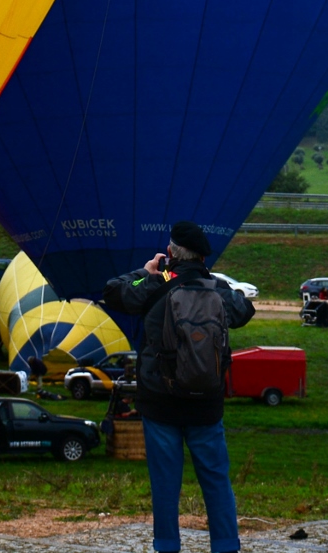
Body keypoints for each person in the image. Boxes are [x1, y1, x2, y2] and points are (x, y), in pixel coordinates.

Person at [103, 220, 255, 553]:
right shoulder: (214, 288)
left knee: (165, 484)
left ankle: (168, 546)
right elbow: (245, 310)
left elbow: (113, 290)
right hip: (207, 405)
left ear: (170, 254)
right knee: (216, 481)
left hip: (160, 404)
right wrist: (217, 281)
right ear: (202, 257)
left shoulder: (157, 284)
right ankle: (226, 546)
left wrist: (145, 271)